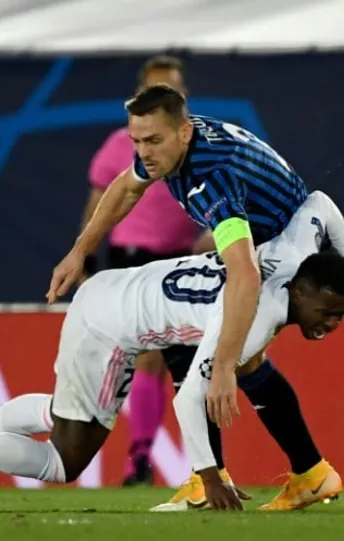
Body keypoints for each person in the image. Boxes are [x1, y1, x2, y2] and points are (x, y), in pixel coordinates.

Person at [0, 191, 344, 511]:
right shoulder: (247, 321)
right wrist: (211, 478)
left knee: (65, 413)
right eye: (327, 312)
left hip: (113, 292)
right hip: (111, 329)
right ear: (300, 293)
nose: (332, 323)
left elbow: (319, 204)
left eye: (340, 313)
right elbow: (189, 399)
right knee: (64, 462)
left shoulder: (294, 254)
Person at [46, 84, 344, 510]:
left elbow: (244, 274)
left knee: (209, 348)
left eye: (151, 140)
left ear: (182, 132)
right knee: (220, 350)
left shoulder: (209, 180)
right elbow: (127, 188)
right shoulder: (177, 141)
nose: (143, 151)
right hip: (280, 242)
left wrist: (223, 367)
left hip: (266, 261)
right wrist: (80, 252)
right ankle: (308, 472)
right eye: (137, 141)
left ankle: (219, 477)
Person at [79, 54, 213, 487]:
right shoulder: (120, 144)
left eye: (170, 90)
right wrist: (84, 257)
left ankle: (143, 455)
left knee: (166, 358)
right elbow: (101, 201)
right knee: (148, 356)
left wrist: (214, 236)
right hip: (130, 258)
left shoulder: (195, 144)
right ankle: (140, 454)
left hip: (180, 259)